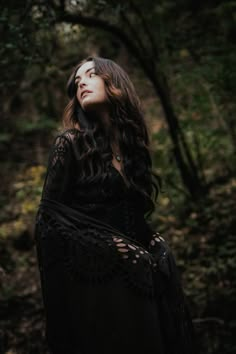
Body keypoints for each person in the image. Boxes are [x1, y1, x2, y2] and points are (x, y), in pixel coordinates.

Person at [34, 56, 195, 354]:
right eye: (77, 80)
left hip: (137, 282)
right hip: (98, 289)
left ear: (115, 82)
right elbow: (49, 220)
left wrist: (152, 240)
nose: (81, 81)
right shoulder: (69, 144)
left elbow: (127, 214)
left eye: (91, 74)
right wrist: (116, 246)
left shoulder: (133, 151)